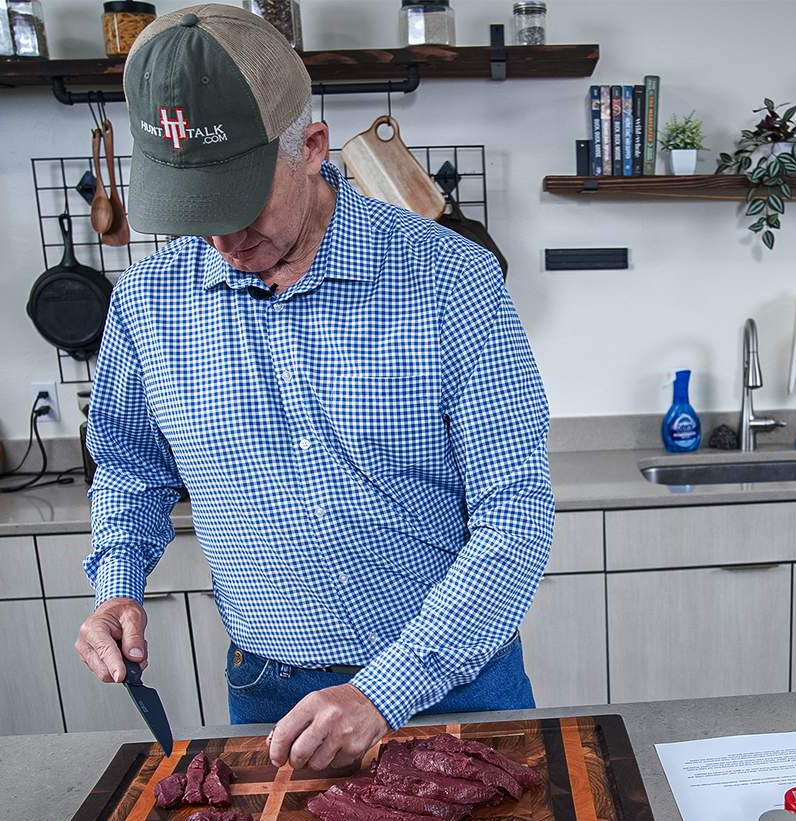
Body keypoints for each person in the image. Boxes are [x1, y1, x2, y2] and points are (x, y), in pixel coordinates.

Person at [74, 4, 553, 773]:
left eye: (239, 203)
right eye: (197, 217)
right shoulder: (146, 304)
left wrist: (383, 691)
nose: (224, 241)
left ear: (312, 148)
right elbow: (132, 469)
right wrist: (117, 583)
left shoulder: (451, 281)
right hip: (269, 692)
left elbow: (516, 516)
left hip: (454, 683)